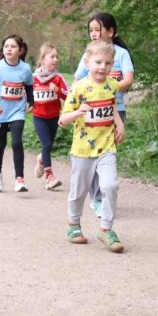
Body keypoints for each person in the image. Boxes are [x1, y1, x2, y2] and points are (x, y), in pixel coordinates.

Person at [59, 40, 125, 252]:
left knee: (110, 185)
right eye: (98, 62)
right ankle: (73, 224)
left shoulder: (112, 85)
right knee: (79, 191)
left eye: (108, 63)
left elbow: (112, 105)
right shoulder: (78, 88)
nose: (103, 67)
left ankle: (106, 229)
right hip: (82, 150)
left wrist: (119, 122)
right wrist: (78, 112)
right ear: (87, 62)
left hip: (107, 146)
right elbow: (62, 120)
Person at [74, 13, 134, 218]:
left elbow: (128, 80)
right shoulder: (88, 55)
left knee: (107, 154)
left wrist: (108, 87)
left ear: (111, 31)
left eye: (97, 29)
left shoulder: (122, 54)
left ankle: (102, 194)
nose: (93, 33)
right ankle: (97, 197)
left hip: (115, 109)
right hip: (90, 112)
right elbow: (77, 80)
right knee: (92, 154)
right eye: (90, 30)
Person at [0, 34, 34, 192]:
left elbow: (29, 85)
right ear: (2, 49)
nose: (9, 49)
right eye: (6, 46)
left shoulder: (25, 68)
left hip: (17, 111)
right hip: (0, 113)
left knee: (17, 142)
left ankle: (19, 179)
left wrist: (31, 102)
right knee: (0, 144)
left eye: (13, 46)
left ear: (20, 50)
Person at [32, 42, 69, 191]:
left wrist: (58, 90)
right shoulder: (33, 78)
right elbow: (26, 95)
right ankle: (50, 177)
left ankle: (41, 159)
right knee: (46, 145)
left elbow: (70, 96)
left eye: (56, 57)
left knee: (48, 146)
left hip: (53, 117)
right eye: (52, 56)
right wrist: (27, 104)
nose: (55, 59)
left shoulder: (58, 78)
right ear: (42, 60)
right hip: (39, 117)